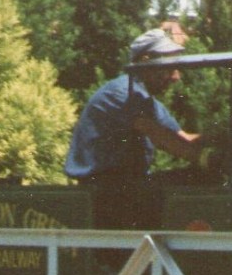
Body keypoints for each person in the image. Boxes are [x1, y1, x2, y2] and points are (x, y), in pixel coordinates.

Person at [64, 28, 206, 229]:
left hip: (126, 188)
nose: (176, 77)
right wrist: (206, 159)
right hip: (104, 191)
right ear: (146, 61)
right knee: (192, 180)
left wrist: (225, 138)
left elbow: (183, 138)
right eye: (169, 68)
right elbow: (163, 139)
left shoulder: (147, 100)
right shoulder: (124, 93)